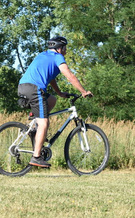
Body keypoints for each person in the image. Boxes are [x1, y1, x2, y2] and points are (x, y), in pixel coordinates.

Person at [17, 36, 93, 168]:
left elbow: (50, 77)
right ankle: (36, 157)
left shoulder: (44, 55)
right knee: (44, 122)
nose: (66, 51)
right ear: (59, 48)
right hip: (35, 89)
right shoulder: (58, 58)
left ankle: (34, 128)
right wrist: (83, 91)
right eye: (65, 48)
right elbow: (69, 76)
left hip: (23, 86)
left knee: (52, 100)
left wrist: (59, 92)